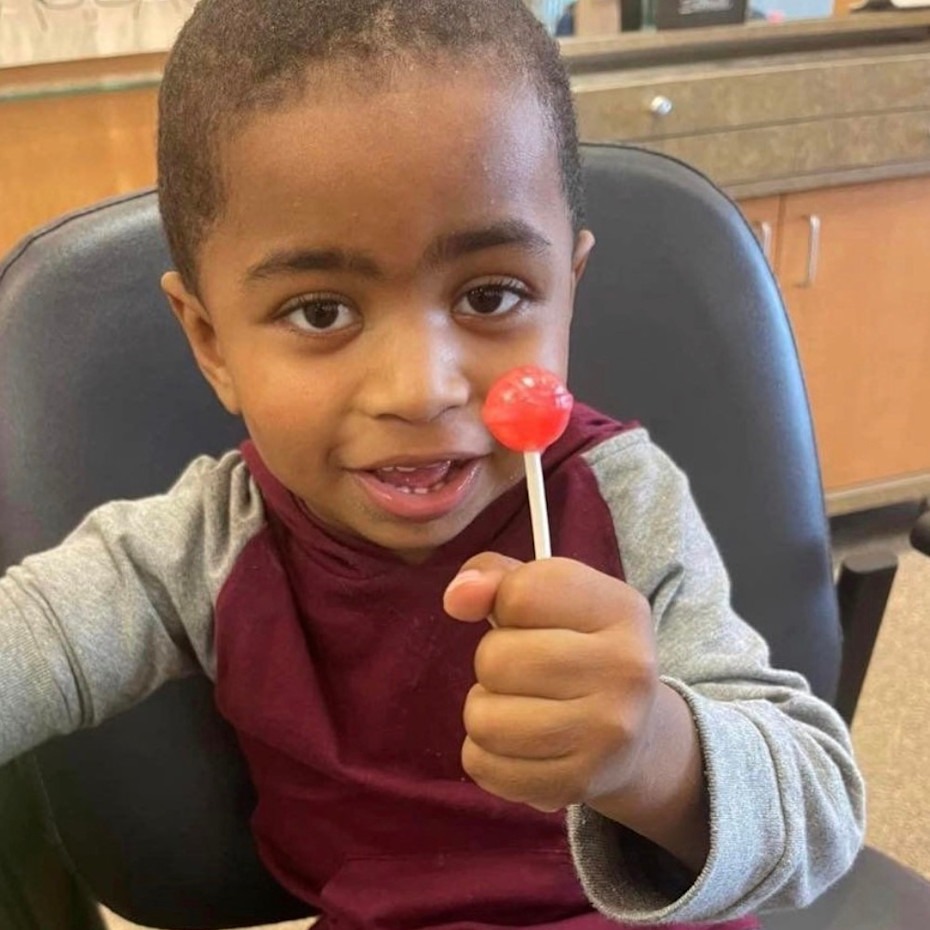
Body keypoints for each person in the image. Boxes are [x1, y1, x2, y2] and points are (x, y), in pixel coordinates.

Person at [0, 2, 863, 928]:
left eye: (491, 295)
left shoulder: (621, 500)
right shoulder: (202, 548)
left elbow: (822, 820)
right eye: (320, 312)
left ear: (568, 294)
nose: (420, 390)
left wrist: (653, 752)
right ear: (212, 343)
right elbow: (32, 640)